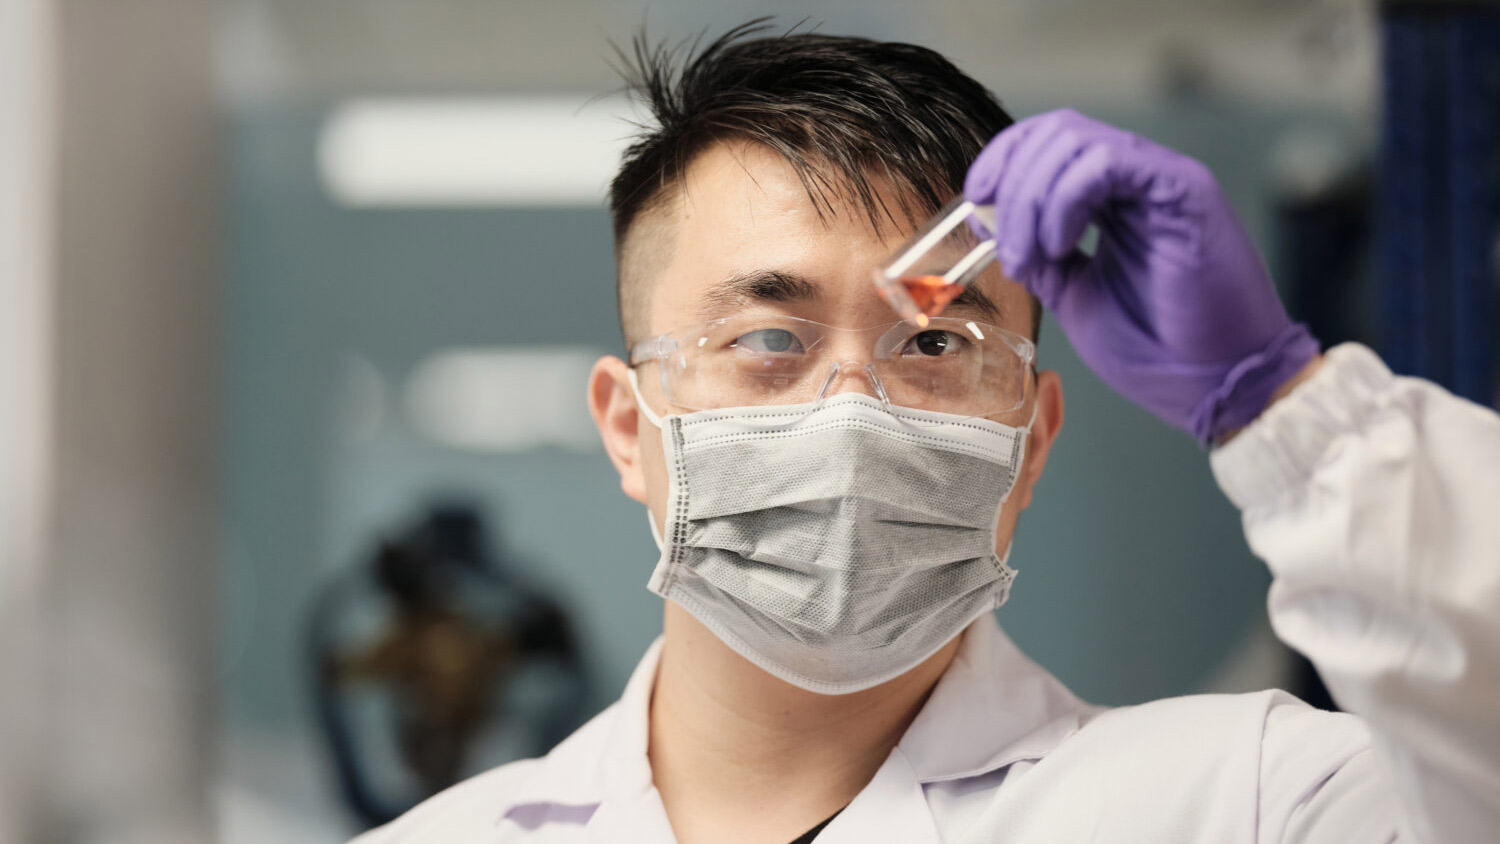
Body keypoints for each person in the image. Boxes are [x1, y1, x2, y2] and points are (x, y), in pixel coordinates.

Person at [351, 23, 1500, 844]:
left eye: (936, 346)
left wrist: (1284, 406)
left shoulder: (1254, 802)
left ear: (1033, 440)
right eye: (769, 339)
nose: (854, 407)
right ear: (626, 425)